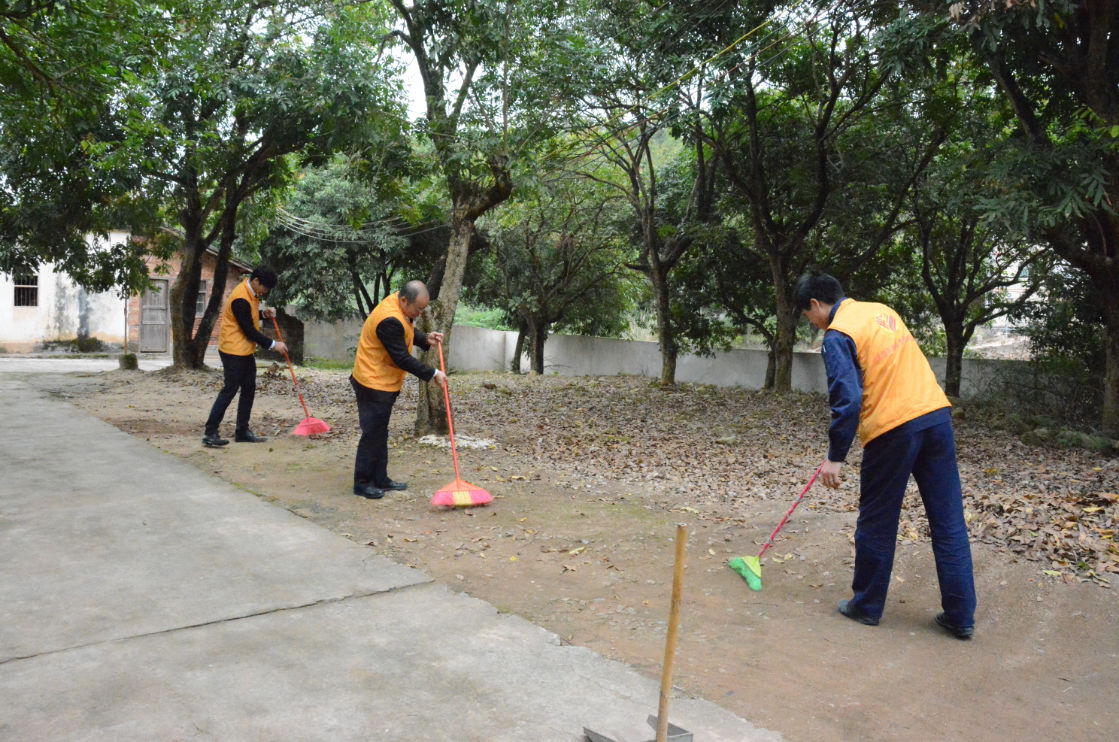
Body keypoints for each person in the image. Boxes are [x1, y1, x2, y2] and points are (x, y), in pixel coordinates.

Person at [794, 270, 977, 639]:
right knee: (949, 521)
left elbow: (848, 401)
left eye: (807, 315)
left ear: (816, 304)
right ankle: (961, 616)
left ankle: (865, 606)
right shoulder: (882, 311)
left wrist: (835, 456)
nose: (810, 322)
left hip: (892, 428)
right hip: (936, 418)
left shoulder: (837, 335)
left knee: (877, 520)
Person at [350, 280, 447, 500]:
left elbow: (406, 329)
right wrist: (433, 374)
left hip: (383, 380)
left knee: (380, 431)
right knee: (372, 433)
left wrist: (425, 338)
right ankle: (362, 483)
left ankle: (380, 478)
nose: (421, 313)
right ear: (404, 300)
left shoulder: (398, 305)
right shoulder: (389, 319)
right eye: (419, 309)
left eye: (424, 308)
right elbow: (401, 357)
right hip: (372, 382)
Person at [202, 266, 287, 448]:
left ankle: (242, 431)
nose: (266, 292)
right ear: (256, 281)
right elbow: (248, 329)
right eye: (265, 288)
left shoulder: (251, 294)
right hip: (232, 351)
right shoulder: (240, 297)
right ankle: (210, 432)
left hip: (245, 351)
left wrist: (264, 314)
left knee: (249, 388)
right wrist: (273, 344)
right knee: (230, 390)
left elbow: (249, 317)